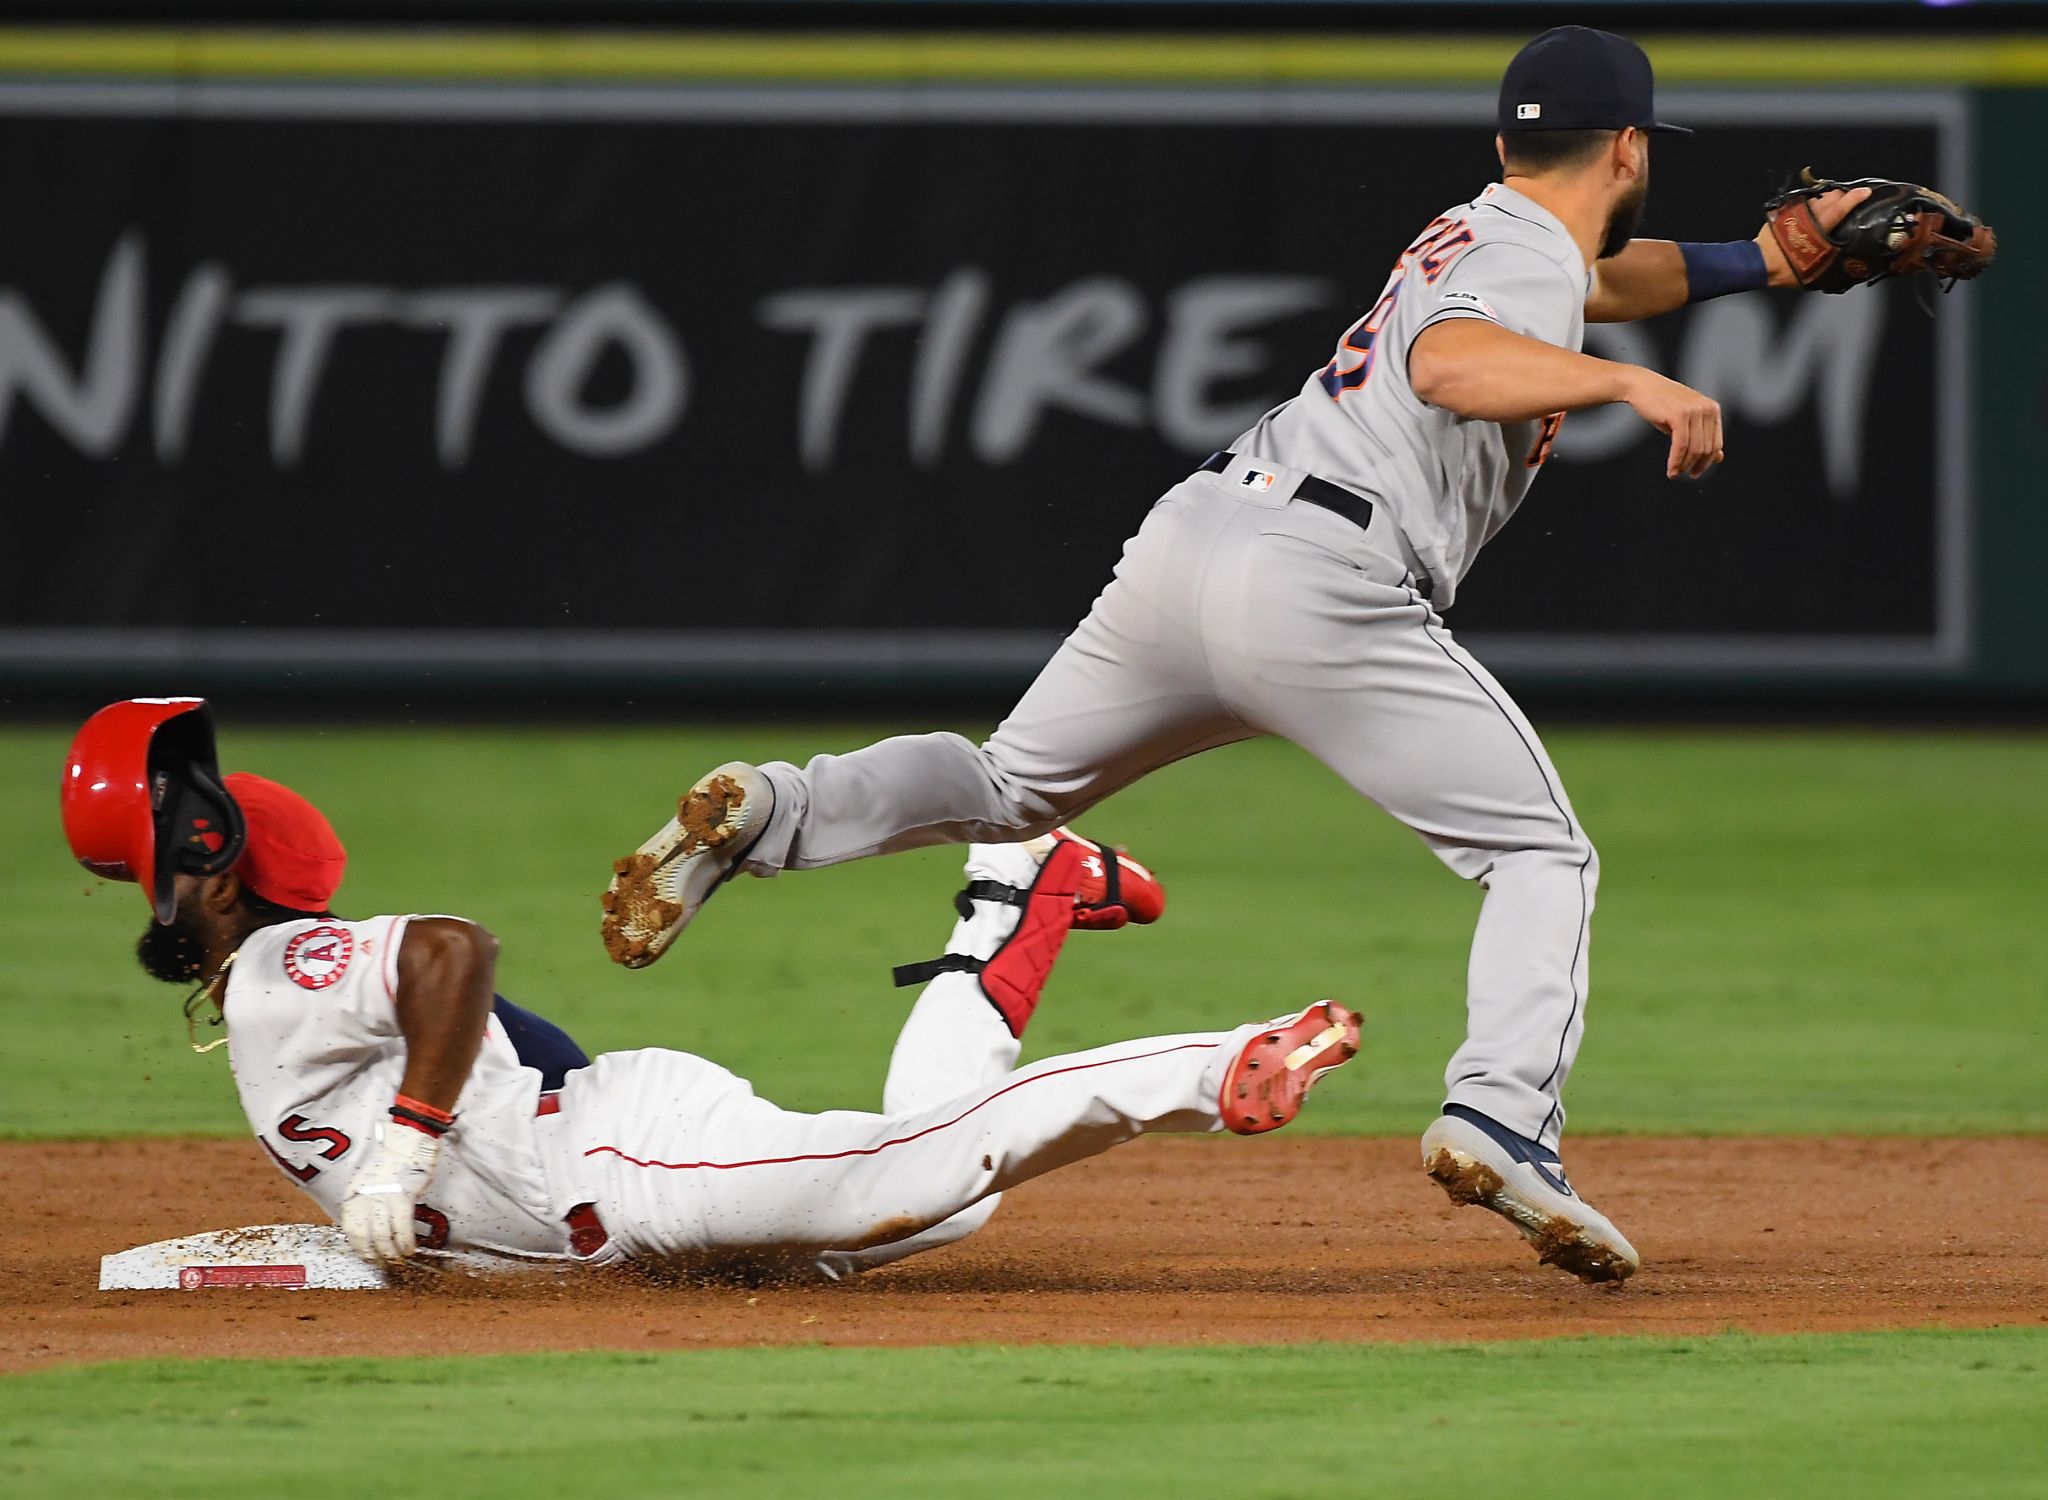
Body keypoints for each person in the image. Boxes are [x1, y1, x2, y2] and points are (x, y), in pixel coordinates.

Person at [601, 27, 1885, 1285]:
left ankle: (776, 809)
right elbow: (1447, 364)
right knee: (1537, 853)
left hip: (1199, 536)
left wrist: (1759, 263)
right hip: (1321, 582)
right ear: (1628, 148)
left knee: (1010, 794)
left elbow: (1609, 280)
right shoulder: (1514, 258)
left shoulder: (1497, 230)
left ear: (1507, 140)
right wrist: (1629, 389)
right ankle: (1500, 1119)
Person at [61, 697, 1359, 1276]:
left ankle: (1220, 1060)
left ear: (217, 869)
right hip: (604, 1168)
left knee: (899, 1179)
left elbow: (450, 951)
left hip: (626, 1164)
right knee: (935, 1203)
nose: (151, 885)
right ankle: (1021, 896)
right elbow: (515, 1033)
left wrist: (405, 1152)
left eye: (156, 863)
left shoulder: (287, 964)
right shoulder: (271, 993)